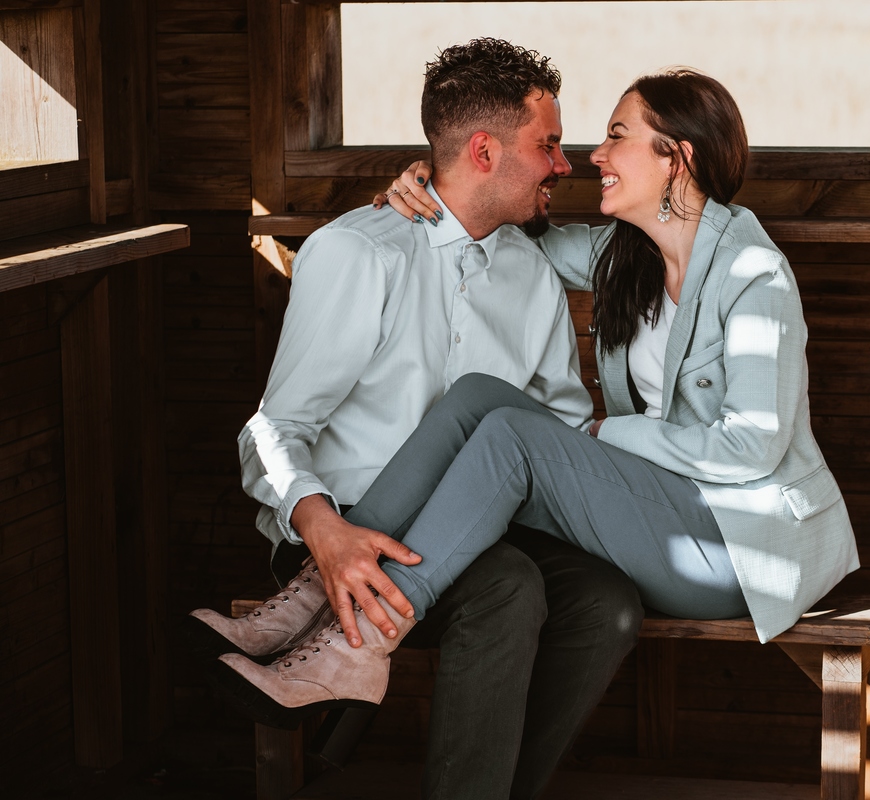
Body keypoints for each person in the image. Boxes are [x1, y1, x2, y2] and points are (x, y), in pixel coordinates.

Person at [210, 66, 860, 733]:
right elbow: (486, 214)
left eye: (617, 135)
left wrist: (606, 433)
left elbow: (753, 445)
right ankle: (312, 595)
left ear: (677, 158)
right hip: (655, 509)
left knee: (511, 435)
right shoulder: (623, 256)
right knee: (476, 397)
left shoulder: (754, 274)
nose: (592, 156)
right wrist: (432, 182)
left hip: (737, 547)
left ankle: (357, 647)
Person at [187, 39, 644, 800]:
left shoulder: (531, 271)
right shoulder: (358, 253)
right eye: (549, 145)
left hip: (487, 528)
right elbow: (270, 430)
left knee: (610, 604)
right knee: (508, 590)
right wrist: (324, 530)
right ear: (485, 151)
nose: (564, 165)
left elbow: (558, 425)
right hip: (343, 530)